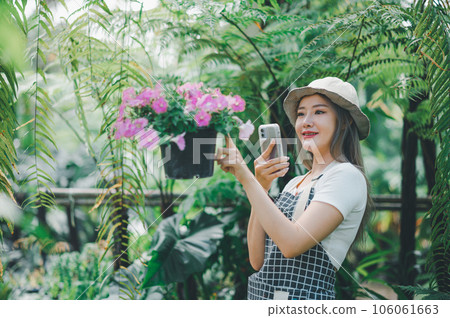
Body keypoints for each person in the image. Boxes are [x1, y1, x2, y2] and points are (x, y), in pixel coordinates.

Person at [215, 77, 372, 300]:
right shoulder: (294, 183)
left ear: (345, 121)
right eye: (301, 114)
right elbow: (257, 259)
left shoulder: (346, 176)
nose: (306, 121)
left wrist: (246, 177)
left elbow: (292, 243)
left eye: (319, 112)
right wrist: (261, 185)